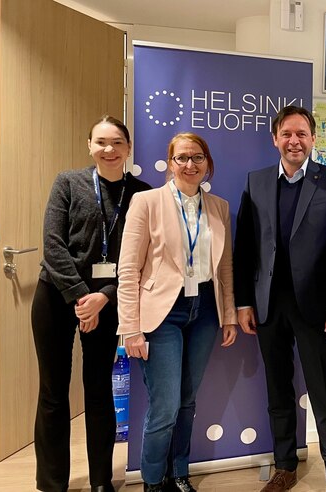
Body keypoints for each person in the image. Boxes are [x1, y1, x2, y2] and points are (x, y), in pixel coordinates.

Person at [233, 106, 326, 492]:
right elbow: (244, 248)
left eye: (302, 134)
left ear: (313, 139)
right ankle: (284, 466)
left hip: (316, 307)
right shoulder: (256, 182)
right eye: (286, 133)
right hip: (268, 305)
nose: (294, 141)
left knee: (323, 391)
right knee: (278, 390)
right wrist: (243, 302)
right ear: (275, 139)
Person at [31, 115, 151, 492]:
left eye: (117, 142)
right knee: (53, 391)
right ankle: (52, 483)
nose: (108, 149)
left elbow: (143, 258)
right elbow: (53, 245)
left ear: (128, 148)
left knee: (99, 391)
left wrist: (104, 297)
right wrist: (82, 298)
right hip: (57, 295)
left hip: (108, 301)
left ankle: (101, 481)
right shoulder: (68, 182)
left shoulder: (142, 194)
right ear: (89, 146)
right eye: (101, 142)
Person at [117, 132, 238, 492]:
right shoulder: (146, 202)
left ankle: (179, 472)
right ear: (170, 163)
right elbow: (129, 269)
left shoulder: (218, 207)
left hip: (205, 311)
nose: (189, 164)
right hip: (161, 314)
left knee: (187, 401)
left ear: (207, 163)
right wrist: (130, 328)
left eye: (197, 157)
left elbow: (225, 267)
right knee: (165, 405)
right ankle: (154, 481)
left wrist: (229, 314)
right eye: (181, 158)